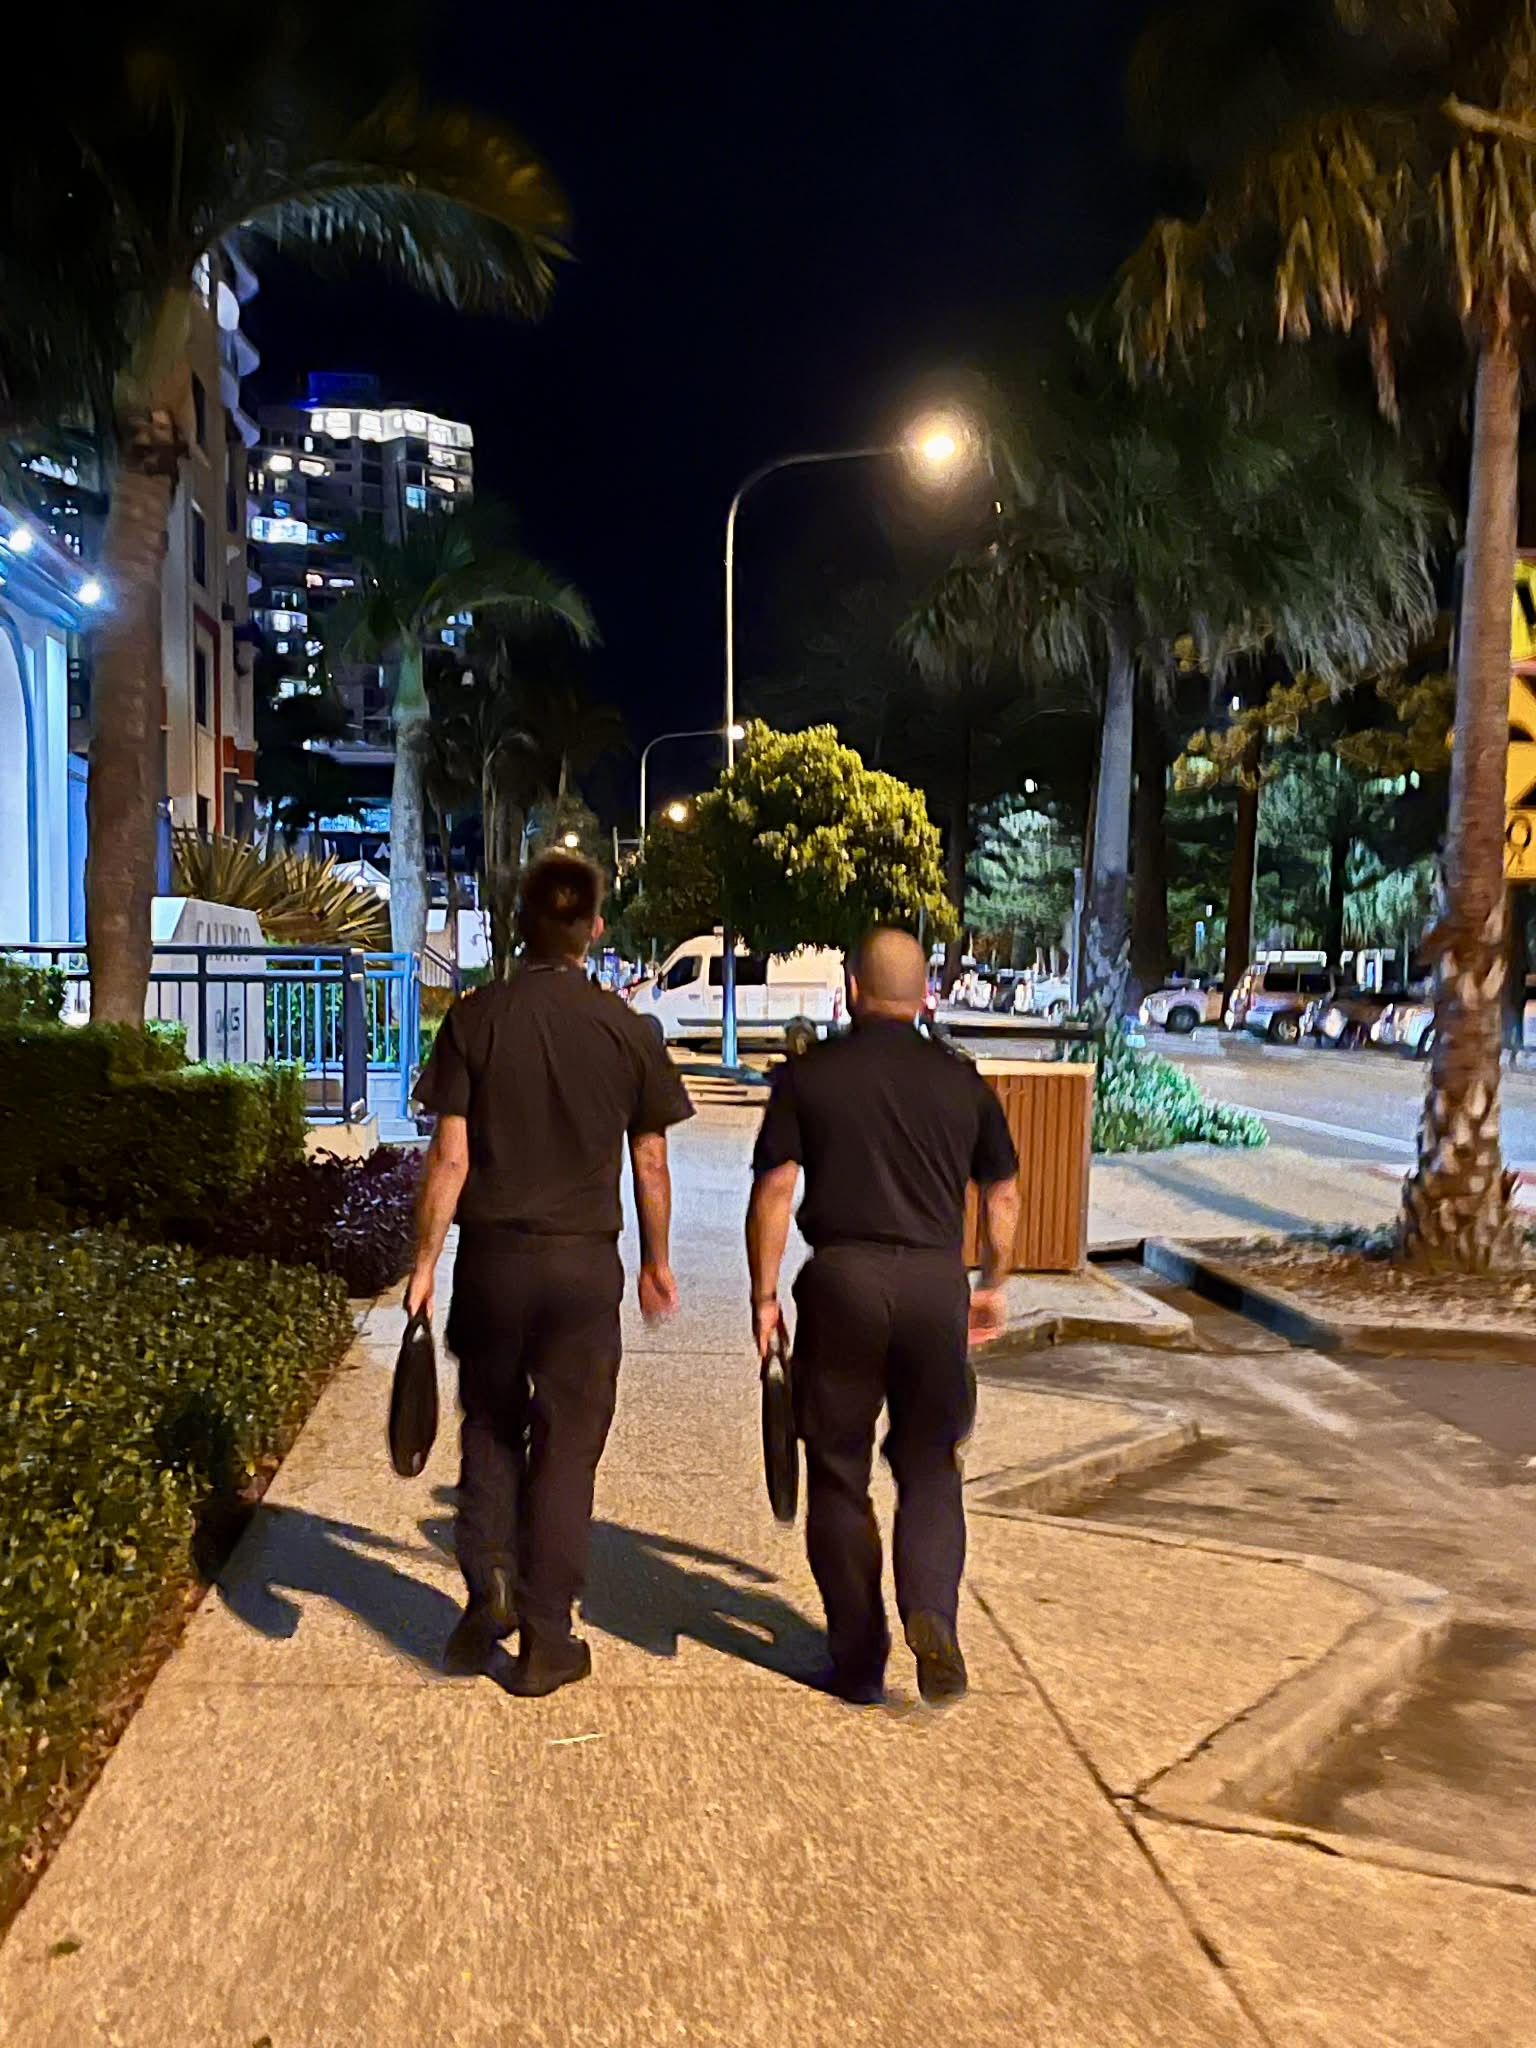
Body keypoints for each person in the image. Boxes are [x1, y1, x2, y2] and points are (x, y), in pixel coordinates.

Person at [407, 851, 694, 1694]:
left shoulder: (475, 1018)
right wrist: (657, 1263)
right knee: (567, 1449)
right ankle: (546, 1639)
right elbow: (650, 1160)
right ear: (593, 928)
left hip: (494, 1264)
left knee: (491, 1429)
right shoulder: (627, 1030)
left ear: (521, 921)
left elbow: (448, 1158)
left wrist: (424, 1264)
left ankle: (486, 1588)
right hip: (581, 1270)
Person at [745, 927, 1020, 1706]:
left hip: (842, 1282)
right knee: (931, 1465)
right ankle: (932, 1614)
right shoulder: (962, 1081)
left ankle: (860, 1659)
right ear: (924, 992)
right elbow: (1001, 1197)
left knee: (837, 1474)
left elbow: (774, 1191)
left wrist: (765, 1297)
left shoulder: (810, 1076)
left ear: (854, 991)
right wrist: (991, 1283)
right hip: (936, 1286)